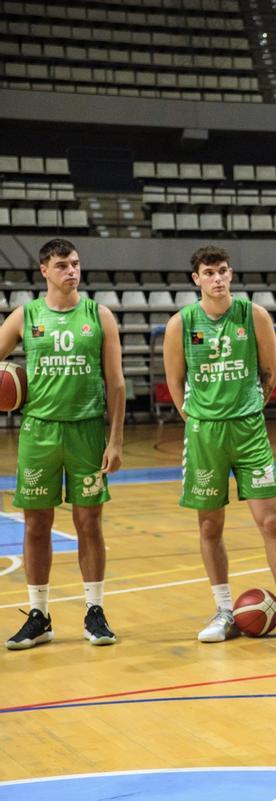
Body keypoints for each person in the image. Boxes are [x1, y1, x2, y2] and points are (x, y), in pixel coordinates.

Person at [162, 245, 276, 643]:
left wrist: (250, 407)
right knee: (210, 525)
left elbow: (270, 372)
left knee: (271, 522)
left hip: (248, 430)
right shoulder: (181, 323)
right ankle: (224, 610)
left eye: (223, 271)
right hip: (205, 433)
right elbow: (174, 380)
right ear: (196, 279)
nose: (218, 278)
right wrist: (192, 416)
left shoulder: (254, 315)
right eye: (209, 272)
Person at [1, 239, 124, 649]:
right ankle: (39, 615)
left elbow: (117, 383)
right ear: (44, 271)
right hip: (39, 431)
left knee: (89, 522)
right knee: (37, 524)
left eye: (74, 264)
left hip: (87, 431)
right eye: (61, 265)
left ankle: (95, 611)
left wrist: (116, 438)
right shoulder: (25, 315)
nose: (71, 271)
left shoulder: (99, 315)